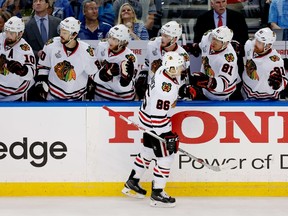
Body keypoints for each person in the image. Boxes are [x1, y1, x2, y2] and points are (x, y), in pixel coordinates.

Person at [122, 51, 196, 208]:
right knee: (166, 157)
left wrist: (182, 90)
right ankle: (157, 194)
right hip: (155, 123)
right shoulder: (165, 91)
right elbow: (158, 114)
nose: (182, 68)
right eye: (179, 67)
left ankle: (132, 182)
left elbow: (172, 93)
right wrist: (165, 133)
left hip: (145, 117)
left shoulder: (162, 70)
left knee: (148, 151)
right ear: (173, 69)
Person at [35, 17, 98, 101]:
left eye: (65, 33)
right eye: (61, 31)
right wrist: (41, 82)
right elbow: (43, 66)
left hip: (77, 98)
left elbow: (93, 74)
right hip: (53, 95)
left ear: (74, 35)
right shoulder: (51, 44)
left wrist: (90, 93)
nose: (61, 35)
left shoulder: (86, 51)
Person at [135, 20, 190, 99]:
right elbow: (147, 65)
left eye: (166, 36)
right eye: (162, 35)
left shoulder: (183, 56)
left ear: (174, 39)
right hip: (152, 92)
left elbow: (183, 81)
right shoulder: (152, 44)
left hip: (171, 95)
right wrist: (142, 75)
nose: (162, 38)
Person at [90, 24, 138, 101]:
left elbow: (128, 85)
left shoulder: (130, 58)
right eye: (110, 37)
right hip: (100, 94)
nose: (110, 41)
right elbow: (93, 69)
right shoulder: (102, 46)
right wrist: (102, 74)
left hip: (121, 99)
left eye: (115, 39)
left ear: (123, 42)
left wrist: (125, 80)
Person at [190, 26, 239, 100]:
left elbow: (223, 84)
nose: (213, 42)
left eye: (218, 40)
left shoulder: (229, 59)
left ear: (226, 43)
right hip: (205, 90)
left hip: (222, 95)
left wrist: (208, 81)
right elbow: (202, 45)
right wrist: (194, 47)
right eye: (213, 38)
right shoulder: (207, 37)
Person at [241, 27, 287, 100]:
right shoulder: (249, 45)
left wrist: (278, 85)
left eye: (259, 42)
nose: (255, 43)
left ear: (267, 46)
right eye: (256, 39)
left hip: (265, 98)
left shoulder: (274, 61)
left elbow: (284, 80)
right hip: (245, 91)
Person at [0, 16, 36, 101]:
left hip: (17, 93)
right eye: (6, 31)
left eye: (11, 33)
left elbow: (31, 73)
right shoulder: (1, 37)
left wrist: (23, 70)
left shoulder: (25, 49)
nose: (8, 35)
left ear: (20, 33)